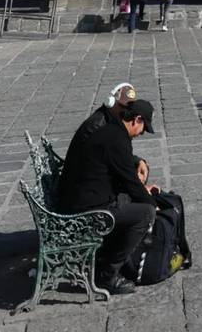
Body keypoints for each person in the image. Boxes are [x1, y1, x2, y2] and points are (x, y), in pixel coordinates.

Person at [55, 94, 158, 294]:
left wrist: (138, 171)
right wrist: (152, 203)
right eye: (143, 128)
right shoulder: (117, 139)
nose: (141, 133)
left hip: (77, 199)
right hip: (85, 211)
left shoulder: (110, 130)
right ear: (137, 120)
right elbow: (130, 181)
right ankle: (108, 275)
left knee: (131, 200)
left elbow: (124, 173)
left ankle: (107, 253)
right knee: (145, 213)